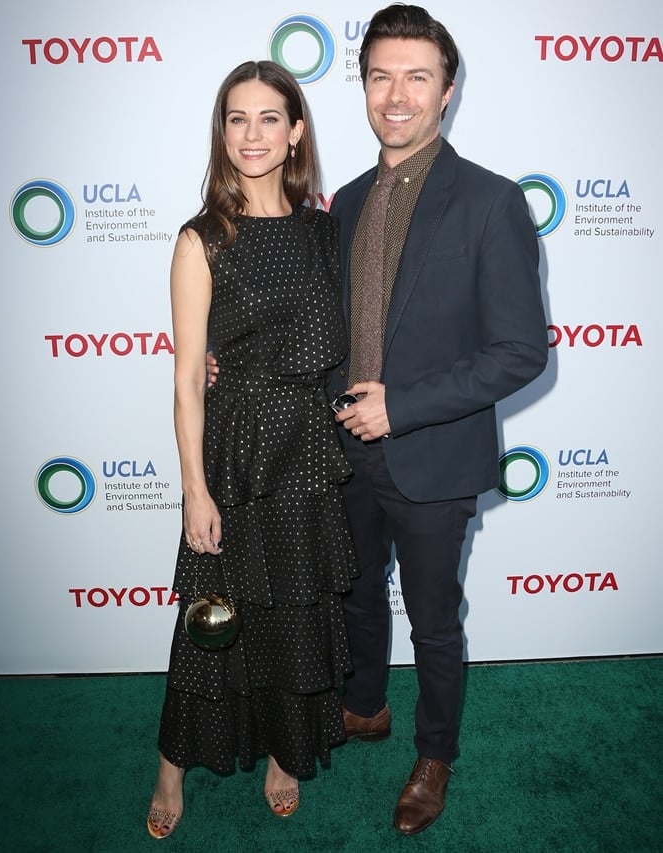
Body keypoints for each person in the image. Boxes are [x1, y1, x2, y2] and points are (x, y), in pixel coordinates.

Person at [327, 4, 549, 836]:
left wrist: (404, 406)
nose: (397, 94)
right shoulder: (344, 202)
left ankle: (434, 753)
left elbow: (521, 351)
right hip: (346, 454)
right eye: (381, 74)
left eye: (417, 76)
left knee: (433, 618)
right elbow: (325, 327)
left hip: (435, 456)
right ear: (364, 86)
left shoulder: (492, 203)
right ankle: (364, 705)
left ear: (447, 91)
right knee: (353, 597)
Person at [146, 59, 357, 839]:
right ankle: (171, 762)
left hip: (305, 448)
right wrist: (193, 489)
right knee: (213, 615)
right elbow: (185, 379)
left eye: (271, 117)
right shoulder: (202, 238)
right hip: (232, 450)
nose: (253, 134)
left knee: (295, 611)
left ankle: (284, 747)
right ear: (221, 132)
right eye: (237, 118)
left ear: (296, 130)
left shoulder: (323, 230)